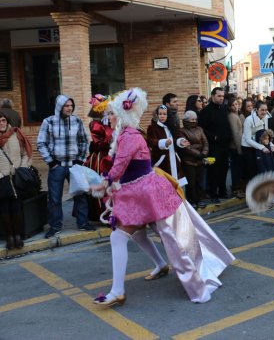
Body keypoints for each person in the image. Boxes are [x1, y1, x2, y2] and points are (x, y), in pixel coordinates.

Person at [91, 88, 234, 307]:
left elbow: (119, 167)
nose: (107, 118)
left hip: (146, 193)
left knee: (166, 237)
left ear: (121, 115)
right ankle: (155, 267)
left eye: (111, 114)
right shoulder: (126, 135)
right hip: (139, 193)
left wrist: (104, 182)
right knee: (136, 234)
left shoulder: (129, 136)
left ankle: (120, 290)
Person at [37, 95, 95, 238]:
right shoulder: (48, 122)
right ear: (59, 107)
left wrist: (80, 160)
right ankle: (55, 226)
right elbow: (41, 143)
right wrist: (51, 162)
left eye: (71, 105)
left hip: (74, 165)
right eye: (66, 105)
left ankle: (83, 223)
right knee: (55, 198)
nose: (69, 108)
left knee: (80, 194)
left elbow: (84, 140)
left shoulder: (76, 120)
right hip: (57, 166)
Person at [0, 110, 32, 249]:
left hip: (16, 177)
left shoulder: (16, 134)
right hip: (1, 178)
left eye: (3, 120)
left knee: (17, 207)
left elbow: (25, 154)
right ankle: (9, 237)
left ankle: (18, 236)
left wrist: (22, 168)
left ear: (7, 121)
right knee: (4, 209)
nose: (1, 123)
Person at [198, 87, 232, 200]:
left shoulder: (223, 109)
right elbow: (202, 129)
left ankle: (222, 191)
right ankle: (213, 193)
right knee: (213, 170)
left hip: (224, 145)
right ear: (213, 96)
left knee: (223, 168)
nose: (221, 98)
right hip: (213, 147)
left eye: (223, 96)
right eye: (219, 96)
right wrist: (214, 137)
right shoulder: (205, 111)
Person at [84, 94, 113, 222]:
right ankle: (103, 214)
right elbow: (98, 143)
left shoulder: (110, 121)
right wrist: (111, 138)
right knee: (103, 184)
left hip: (112, 155)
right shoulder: (95, 124)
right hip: (101, 158)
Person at [147, 105, 189, 187]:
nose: (162, 116)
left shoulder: (172, 126)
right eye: (160, 114)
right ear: (157, 115)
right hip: (162, 161)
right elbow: (151, 141)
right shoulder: (152, 128)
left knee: (178, 186)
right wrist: (164, 143)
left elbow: (178, 137)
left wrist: (181, 142)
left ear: (168, 115)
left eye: (164, 114)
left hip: (175, 160)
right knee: (164, 186)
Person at [176, 111, 209, 208]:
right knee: (191, 182)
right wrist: (198, 154)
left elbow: (205, 142)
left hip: (200, 159)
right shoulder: (181, 131)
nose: (194, 121)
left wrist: (204, 153)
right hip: (188, 161)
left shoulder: (200, 129)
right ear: (186, 120)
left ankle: (200, 199)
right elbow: (186, 147)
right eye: (192, 119)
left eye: (195, 119)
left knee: (200, 181)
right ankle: (192, 201)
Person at [241, 100, 272, 182]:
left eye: (266, 110)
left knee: (262, 169)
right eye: (262, 110)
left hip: (259, 146)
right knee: (252, 171)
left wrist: (271, 145)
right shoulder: (249, 119)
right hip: (248, 147)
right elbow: (247, 139)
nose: (264, 112)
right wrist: (262, 147)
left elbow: (266, 133)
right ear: (257, 110)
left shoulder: (266, 117)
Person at [228, 99, 244, 198]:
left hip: (237, 146)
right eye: (233, 105)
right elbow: (236, 133)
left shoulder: (237, 115)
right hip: (235, 147)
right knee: (236, 169)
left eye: (236, 104)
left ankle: (237, 188)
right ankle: (236, 189)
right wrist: (239, 149)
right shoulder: (232, 116)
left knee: (237, 168)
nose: (235, 106)